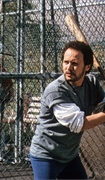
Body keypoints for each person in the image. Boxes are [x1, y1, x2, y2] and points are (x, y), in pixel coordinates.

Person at [30, 41, 105, 180]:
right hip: (46, 154)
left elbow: (102, 107)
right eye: (66, 62)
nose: (68, 68)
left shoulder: (92, 83)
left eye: (74, 64)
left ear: (87, 66)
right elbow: (78, 124)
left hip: (69, 155)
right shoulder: (56, 90)